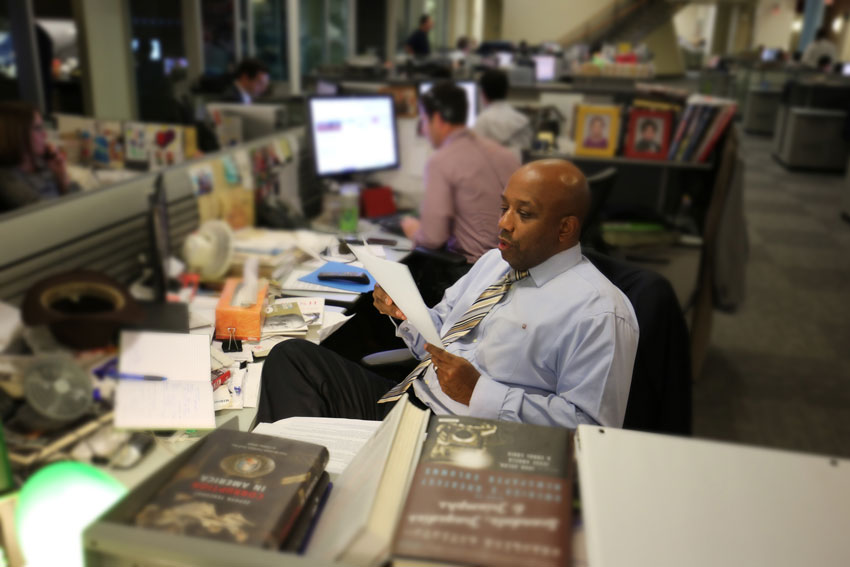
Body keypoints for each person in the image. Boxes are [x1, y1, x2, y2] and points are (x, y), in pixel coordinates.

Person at [257, 159, 639, 428]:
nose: (503, 224)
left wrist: (480, 393)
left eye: (524, 214)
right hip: (411, 403)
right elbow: (440, 335)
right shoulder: (494, 263)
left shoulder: (600, 313)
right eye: (504, 207)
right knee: (292, 358)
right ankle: (305, 476)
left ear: (565, 229)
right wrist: (406, 315)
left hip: (466, 437)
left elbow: (590, 429)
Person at [401, 81, 520, 264]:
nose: (424, 129)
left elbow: (433, 239)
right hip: (509, 265)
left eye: (424, 120)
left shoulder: (441, 162)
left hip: (470, 272)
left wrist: (412, 229)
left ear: (439, 119)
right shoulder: (504, 154)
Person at [0, 101, 78, 213]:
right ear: (16, 134)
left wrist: (63, 179)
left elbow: (83, 199)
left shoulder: (42, 162)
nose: (45, 135)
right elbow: (47, 213)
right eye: (37, 128)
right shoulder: (6, 178)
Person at [473, 69, 533, 152]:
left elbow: (476, 152)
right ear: (506, 91)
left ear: (483, 93)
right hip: (517, 164)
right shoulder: (522, 120)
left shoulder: (482, 121)